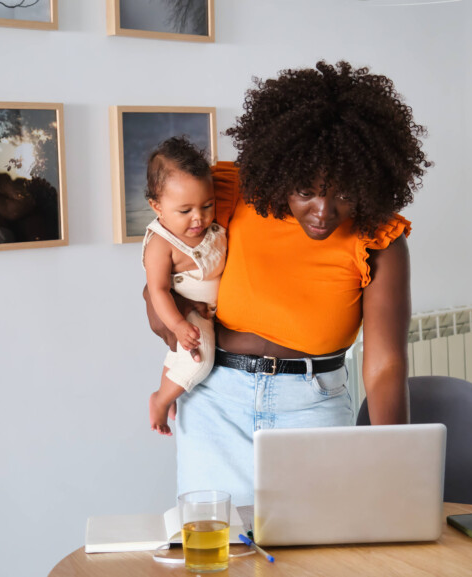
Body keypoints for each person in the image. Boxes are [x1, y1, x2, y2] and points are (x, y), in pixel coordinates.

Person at [144, 61, 430, 505]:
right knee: (217, 561)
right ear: (280, 171)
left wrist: (392, 460)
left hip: (313, 408)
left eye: (344, 193)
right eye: (306, 190)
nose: (323, 212)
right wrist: (177, 325)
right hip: (216, 402)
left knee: (322, 562)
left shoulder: (380, 240)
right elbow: (159, 276)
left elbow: (386, 366)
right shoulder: (235, 193)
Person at [142, 137, 227, 436]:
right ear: (157, 206)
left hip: (211, 312)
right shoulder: (162, 244)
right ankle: (162, 400)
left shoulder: (211, 228)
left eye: (207, 205)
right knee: (199, 362)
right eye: (185, 210)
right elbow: (158, 290)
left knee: (181, 358)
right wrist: (178, 325)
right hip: (188, 312)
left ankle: (168, 389)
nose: (199, 218)